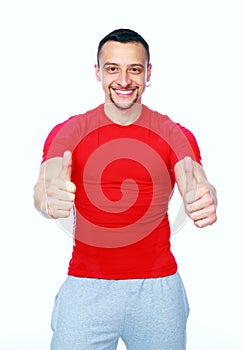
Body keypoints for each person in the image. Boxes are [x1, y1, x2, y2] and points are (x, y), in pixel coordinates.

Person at [33, 28, 217, 350]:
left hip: (157, 291)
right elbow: (45, 183)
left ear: (148, 74)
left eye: (134, 69)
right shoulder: (69, 132)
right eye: (112, 69)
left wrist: (203, 194)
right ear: (97, 73)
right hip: (86, 288)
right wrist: (46, 196)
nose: (123, 80)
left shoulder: (173, 132)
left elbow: (193, 176)